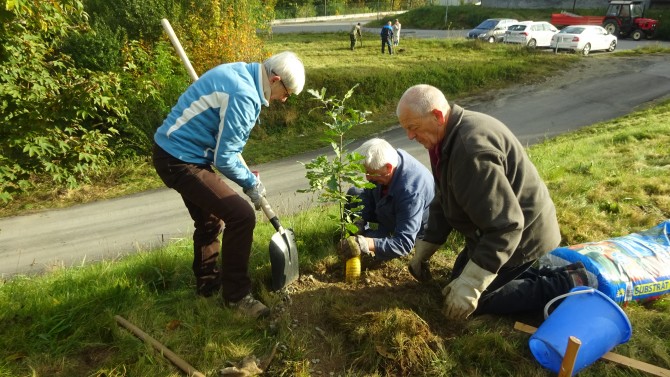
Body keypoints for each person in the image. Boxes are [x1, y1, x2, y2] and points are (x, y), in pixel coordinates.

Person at [396, 84, 594, 320]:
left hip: (523, 237)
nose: (410, 136)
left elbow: (507, 226)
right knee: (454, 285)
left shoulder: (470, 152)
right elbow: (444, 196)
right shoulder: (443, 138)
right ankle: (529, 274)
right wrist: (428, 244)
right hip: (491, 227)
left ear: (437, 115)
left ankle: (569, 281)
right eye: (406, 129)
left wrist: (472, 285)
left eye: (413, 127)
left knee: (476, 302)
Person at [152, 51, 305, 319]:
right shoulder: (245, 95)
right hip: (179, 158)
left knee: (210, 221)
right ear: (275, 79)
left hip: (178, 151)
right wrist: (250, 184)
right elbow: (224, 158)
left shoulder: (242, 72)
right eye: (287, 92)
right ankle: (237, 298)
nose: (284, 99)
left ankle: (208, 287)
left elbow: (225, 148)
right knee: (242, 216)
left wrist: (248, 178)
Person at [337, 138, 435, 262]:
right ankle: (350, 235)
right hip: (387, 205)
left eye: (370, 172)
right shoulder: (391, 157)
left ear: (388, 168)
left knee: (369, 239)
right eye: (365, 172)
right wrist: (359, 219)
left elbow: (403, 243)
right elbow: (369, 191)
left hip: (408, 226)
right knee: (354, 193)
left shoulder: (411, 193)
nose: (367, 177)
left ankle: (362, 241)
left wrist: (366, 243)